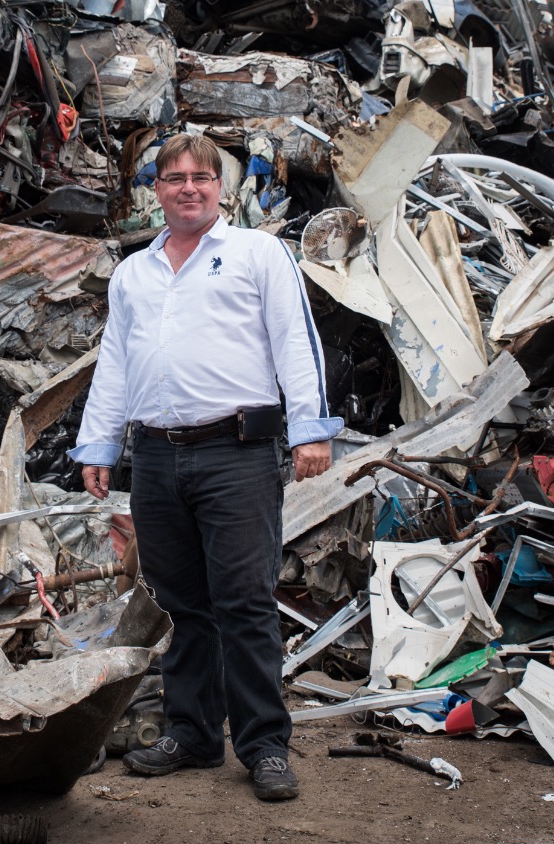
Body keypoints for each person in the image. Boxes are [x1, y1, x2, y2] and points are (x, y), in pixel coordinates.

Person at [67, 134, 343, 801]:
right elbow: (115, 366)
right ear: (155, 189)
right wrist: (99, 445)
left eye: (200, 177)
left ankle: (264, 746)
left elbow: (295, 343)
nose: (187, 188)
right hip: (157, 456)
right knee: (181, 604)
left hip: (237, 454)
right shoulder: (135, 271)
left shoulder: (258, 253)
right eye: (173, 178)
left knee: (244, 602)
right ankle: (190, 733)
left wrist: (310, 429)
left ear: (223, 188)